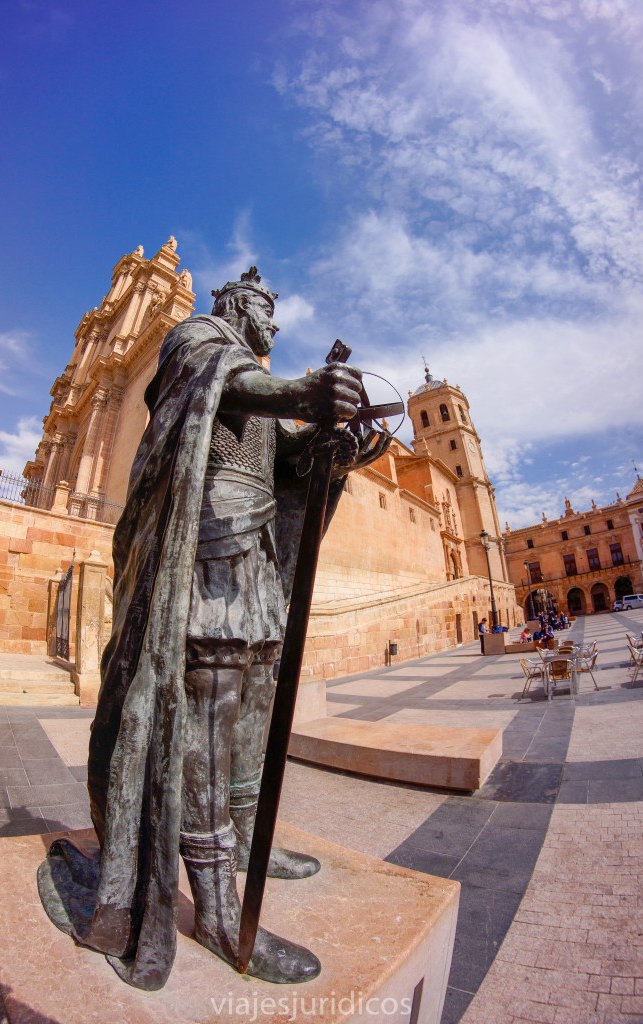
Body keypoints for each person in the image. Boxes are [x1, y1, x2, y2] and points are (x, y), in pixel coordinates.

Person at [38, 268, 389, 991]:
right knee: (205, 724)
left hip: (255, 566)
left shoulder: (254, 382)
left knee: (251, 719)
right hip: (207, 566)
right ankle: (221, 910)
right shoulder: (201, 340)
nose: (274, 327)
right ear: (237, 306)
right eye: (266, 311)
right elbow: (225, 385)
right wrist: (300, 392)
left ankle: (248, 843)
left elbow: (280, 458)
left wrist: (333, 446)